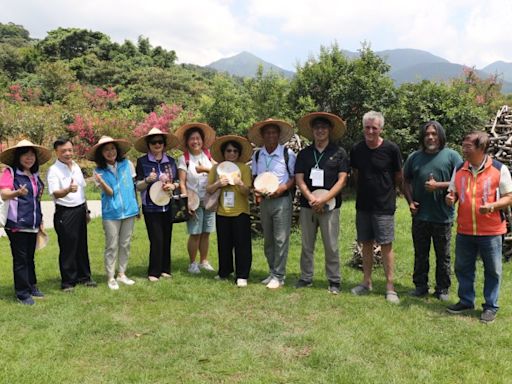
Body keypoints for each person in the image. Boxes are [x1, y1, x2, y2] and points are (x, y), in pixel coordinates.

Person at [446, 131, 512, 323]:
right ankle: (466, 301)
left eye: (468, 146)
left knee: (493, 270)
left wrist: (492, 206)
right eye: (463, 145)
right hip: (465, 229)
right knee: (463, 267)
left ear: (481, 148)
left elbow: (509, 197)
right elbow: (453, 193)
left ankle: (490, 306)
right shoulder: (459, 168)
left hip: (491, 231)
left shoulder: (499, 169)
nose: (464, 149)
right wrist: (450, 198)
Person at [403, 121, 462, 301]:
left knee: (442, 255)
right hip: (420, 215)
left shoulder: (452, 156)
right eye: (427, 134)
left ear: (440, 136)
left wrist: (439, 186)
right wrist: (410, 202)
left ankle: (442, 289)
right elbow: (405, 181)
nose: (430, 137)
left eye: (434, 134)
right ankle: (420, 286)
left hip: (442, 216)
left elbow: (462, 180)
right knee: (420, 253)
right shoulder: (414, 157)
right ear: (423, 136)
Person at [350, 111, 403, 304]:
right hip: (363, 204)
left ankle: (390, 287)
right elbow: (356, 173)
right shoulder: (357, 149)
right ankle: (366, 282)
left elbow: (398, 175)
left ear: (381, 129)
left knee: (386, 245)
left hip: (384, 206)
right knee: (365, 243)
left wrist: (389, 193)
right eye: (367, 127)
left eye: (374, 127)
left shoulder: (391, 149)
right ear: (363, 128)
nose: (370, 131)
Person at [295, 112, 349, 294]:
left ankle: (334, 280)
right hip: (307, 204)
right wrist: (311, 198)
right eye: (317, 128)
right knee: (307, 243)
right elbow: (299, 178)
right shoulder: (304, 154)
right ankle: (306, 277)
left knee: (331, 244)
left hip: (331, 205)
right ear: (312, 131)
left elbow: (342, 180)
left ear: (330, 130)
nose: (320, 131)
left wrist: (323, 199)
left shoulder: (339, 153)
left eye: (324, 128)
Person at [0, 140, 51, 305]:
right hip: (16, 223)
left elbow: (37, 200)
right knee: (21, 258)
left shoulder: (34, 176)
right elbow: (4, 193)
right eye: (25, 154)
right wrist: (17, 192)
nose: (29, 158)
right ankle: (22, 293)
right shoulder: (10, 172)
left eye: (32, 155)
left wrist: (40, 220)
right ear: (18, 156)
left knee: (30, 256)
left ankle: (31, 286)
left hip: (33, 222)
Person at [248, 118, 296, 289]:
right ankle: (272, 272)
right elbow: (254, 176)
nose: (271, 135)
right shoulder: (258, 155)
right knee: (268, 239)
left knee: (281, 238)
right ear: (262, 135)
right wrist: (257, 190)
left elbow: (293, 178)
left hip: (281, 200)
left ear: (278, 135)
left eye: (274, 132)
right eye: (267, 132)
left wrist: (282, 188)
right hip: (265, 201)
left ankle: (279, 276)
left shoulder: (287, 154)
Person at [87, 136, 139, 290]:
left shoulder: (127, 164)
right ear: (101, 154)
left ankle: (122, 273)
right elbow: (109, 193)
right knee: (112, 245)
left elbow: (132, 187)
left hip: (129, 210)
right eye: (106, 150)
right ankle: (110, 277)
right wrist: (101, 182)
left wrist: (136, 207)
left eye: (112, 148)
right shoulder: (99, 171)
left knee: (125, 244)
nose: (110, 152)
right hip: (111, 213)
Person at [47, 137, 96, 291]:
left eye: (70, 150)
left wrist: (86, 211)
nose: (68, 153)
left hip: (80, 209)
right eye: (63, 151)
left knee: (82, 244)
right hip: (65, 212)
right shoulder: (53, 170)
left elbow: (81, 191)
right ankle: (68, 282)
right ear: (56, 152)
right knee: (68, 247)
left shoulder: (75, 166)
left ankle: (85, 277)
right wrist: (67, 190)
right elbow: (55, 193)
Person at [207, 135, 253, 287]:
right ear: (223, 153)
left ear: (239, 153)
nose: (232, 154)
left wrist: (239, 183)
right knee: (223, 244)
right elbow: (208, 189)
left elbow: (247, 192)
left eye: (235, 151)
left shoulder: (244, 168)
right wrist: (218, 183)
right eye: (228, 151)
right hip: (222, 212)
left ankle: (242, 275)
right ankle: (224, 272)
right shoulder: (216, 169)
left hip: (241, 212)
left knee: (242, 245)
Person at [135, 127, 180, 282]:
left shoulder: (171, 162)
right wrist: (148, 180)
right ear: (148, 144)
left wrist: (173, 186)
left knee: (167, 237)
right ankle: (153, 272)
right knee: (156, 239)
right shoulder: (142, 162)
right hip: (150, 206)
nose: (157, 144)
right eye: (153, 142)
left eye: (160, 141)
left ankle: (165, 269)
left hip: (168, 205)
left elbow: (178, 181)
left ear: (164, 144)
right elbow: (137, 185)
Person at [176, 122, 217, 274]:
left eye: (198, 138)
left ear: (203, 140)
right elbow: (182, 182)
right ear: (187, 142)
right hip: (193, 200)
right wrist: (186, 203)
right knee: (195, 233)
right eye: (192, 139)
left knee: (206, 232)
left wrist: (206, 169)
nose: (195, 141)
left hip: (209, 199)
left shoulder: (208, 155)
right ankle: (192, 263)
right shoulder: (184, 159)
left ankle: (204, 261)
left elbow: (218, 170)